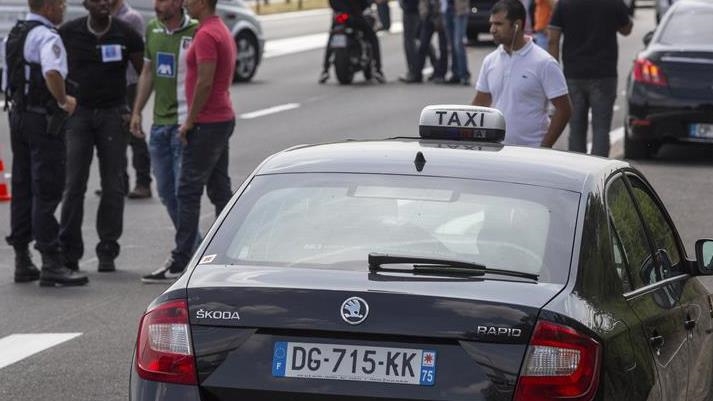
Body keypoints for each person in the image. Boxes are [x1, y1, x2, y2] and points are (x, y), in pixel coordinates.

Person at [142, 0, 235, 282]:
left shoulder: (206, 34)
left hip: (207, 121)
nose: (186, 3)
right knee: (220, 191)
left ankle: (183, 259)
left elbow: (205, 81)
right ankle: (229, 251)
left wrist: (190, 120)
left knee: (188, 191)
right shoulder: (217, 29)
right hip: (220, 117)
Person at [2, 0, 88, 286]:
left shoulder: (15, 33)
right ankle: (51, 261)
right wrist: (63, 101)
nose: (64, 8)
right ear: (49, 6)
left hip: (18, 115)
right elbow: (52, 72)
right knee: (47, 188)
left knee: (23, 186)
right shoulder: (47, 36)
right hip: (43, 120)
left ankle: (22, 259)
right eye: (61, 3)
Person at [59, 0, 144, 272]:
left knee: (113, 184)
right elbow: (53, 69)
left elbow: (143, 74)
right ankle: (69, 252)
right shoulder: (68, 32)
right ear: (85, 3)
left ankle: (107, 248)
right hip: (79, 115)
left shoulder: (125, 33)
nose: (105, 3)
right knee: (74, 184)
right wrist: (63, 102)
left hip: (112, 115)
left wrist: (132, 110)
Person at [130, 0, 198, 231]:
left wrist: (193, 119)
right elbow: (147, 72)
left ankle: (188, 253)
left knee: (183, 193)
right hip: (160, 125)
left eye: (163, 0)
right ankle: (190, 248)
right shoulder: (152, 28)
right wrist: (137, 111)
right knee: (167, 193)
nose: (156, 5)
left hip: (184, 124)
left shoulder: (197, 30)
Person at [471, 0, 571, 147]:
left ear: (517, 25)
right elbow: (480, 104)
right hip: (496, 152)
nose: (492, 29)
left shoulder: (544, 62)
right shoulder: (490, 61)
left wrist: (544, 148)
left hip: (531, 157)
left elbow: (564, 109)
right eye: (491, 23)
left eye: (498, 24)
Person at [548, 0, 632, 157]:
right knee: (601, 128)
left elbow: (553, 39)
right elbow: (626, 29)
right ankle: (599, 172)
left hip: (573, 74)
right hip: (604, 74)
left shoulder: (564, 3)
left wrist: (553, 73)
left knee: (576, 127)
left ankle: (578, 172)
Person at [113, 0, 152, 198]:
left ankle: (143, 182)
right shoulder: (105, 18)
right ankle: (118, 182)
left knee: (133, 131)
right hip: (112, 85)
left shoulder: (131, 18)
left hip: (129, 82)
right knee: (113, 134)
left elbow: (137, 54)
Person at [318, 0, 385, 84]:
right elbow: (364, 4)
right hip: (355, 16)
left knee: (332, 37)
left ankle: (325, 70)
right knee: (372, 38)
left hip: (341, 17)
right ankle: (377, 69)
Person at [413, 0, 447, 83]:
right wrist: (423, 12)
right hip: (428, 13)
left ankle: (440, 74)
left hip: (441, 14)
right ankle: (417, 74)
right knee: (423, 45)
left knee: (443, 47)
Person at [442, 0, 470, 85]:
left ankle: (464, 75)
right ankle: (456, 73)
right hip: (446, 9)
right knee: (452, 44)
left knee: (458, 43)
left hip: (459, 9)